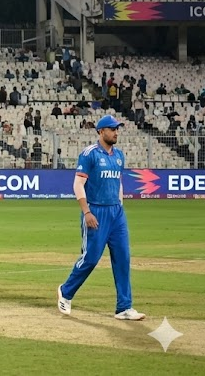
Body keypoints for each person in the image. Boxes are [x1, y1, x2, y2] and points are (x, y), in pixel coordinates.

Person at [58, 115, 146, 321]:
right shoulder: (89, 154)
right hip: (96, 212)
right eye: (112, 129)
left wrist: (120, 206)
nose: (116, 132)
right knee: (90, 258)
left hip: (116, 213)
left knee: (123, 258)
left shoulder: (119, 156)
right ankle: (66, 291)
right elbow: (77, 184)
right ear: (101, 131)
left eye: (117, 129)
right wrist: (86, 212)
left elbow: (119, 182)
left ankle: (124, 307)